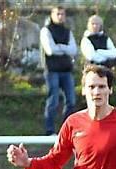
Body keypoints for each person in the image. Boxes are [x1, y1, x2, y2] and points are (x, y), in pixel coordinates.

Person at [41, 6, 78, 135]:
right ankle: (49, 130)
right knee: (53, 101)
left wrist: (60, 47)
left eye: (62, 14)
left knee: (71, 101)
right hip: (52, 70)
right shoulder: (46, 30)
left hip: (67, 70)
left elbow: (73, 50)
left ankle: (65, 131)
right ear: (52, 15)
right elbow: (50, 50)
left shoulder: (68, 32)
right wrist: (65, 48)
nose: (60, 16)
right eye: (58, 14)